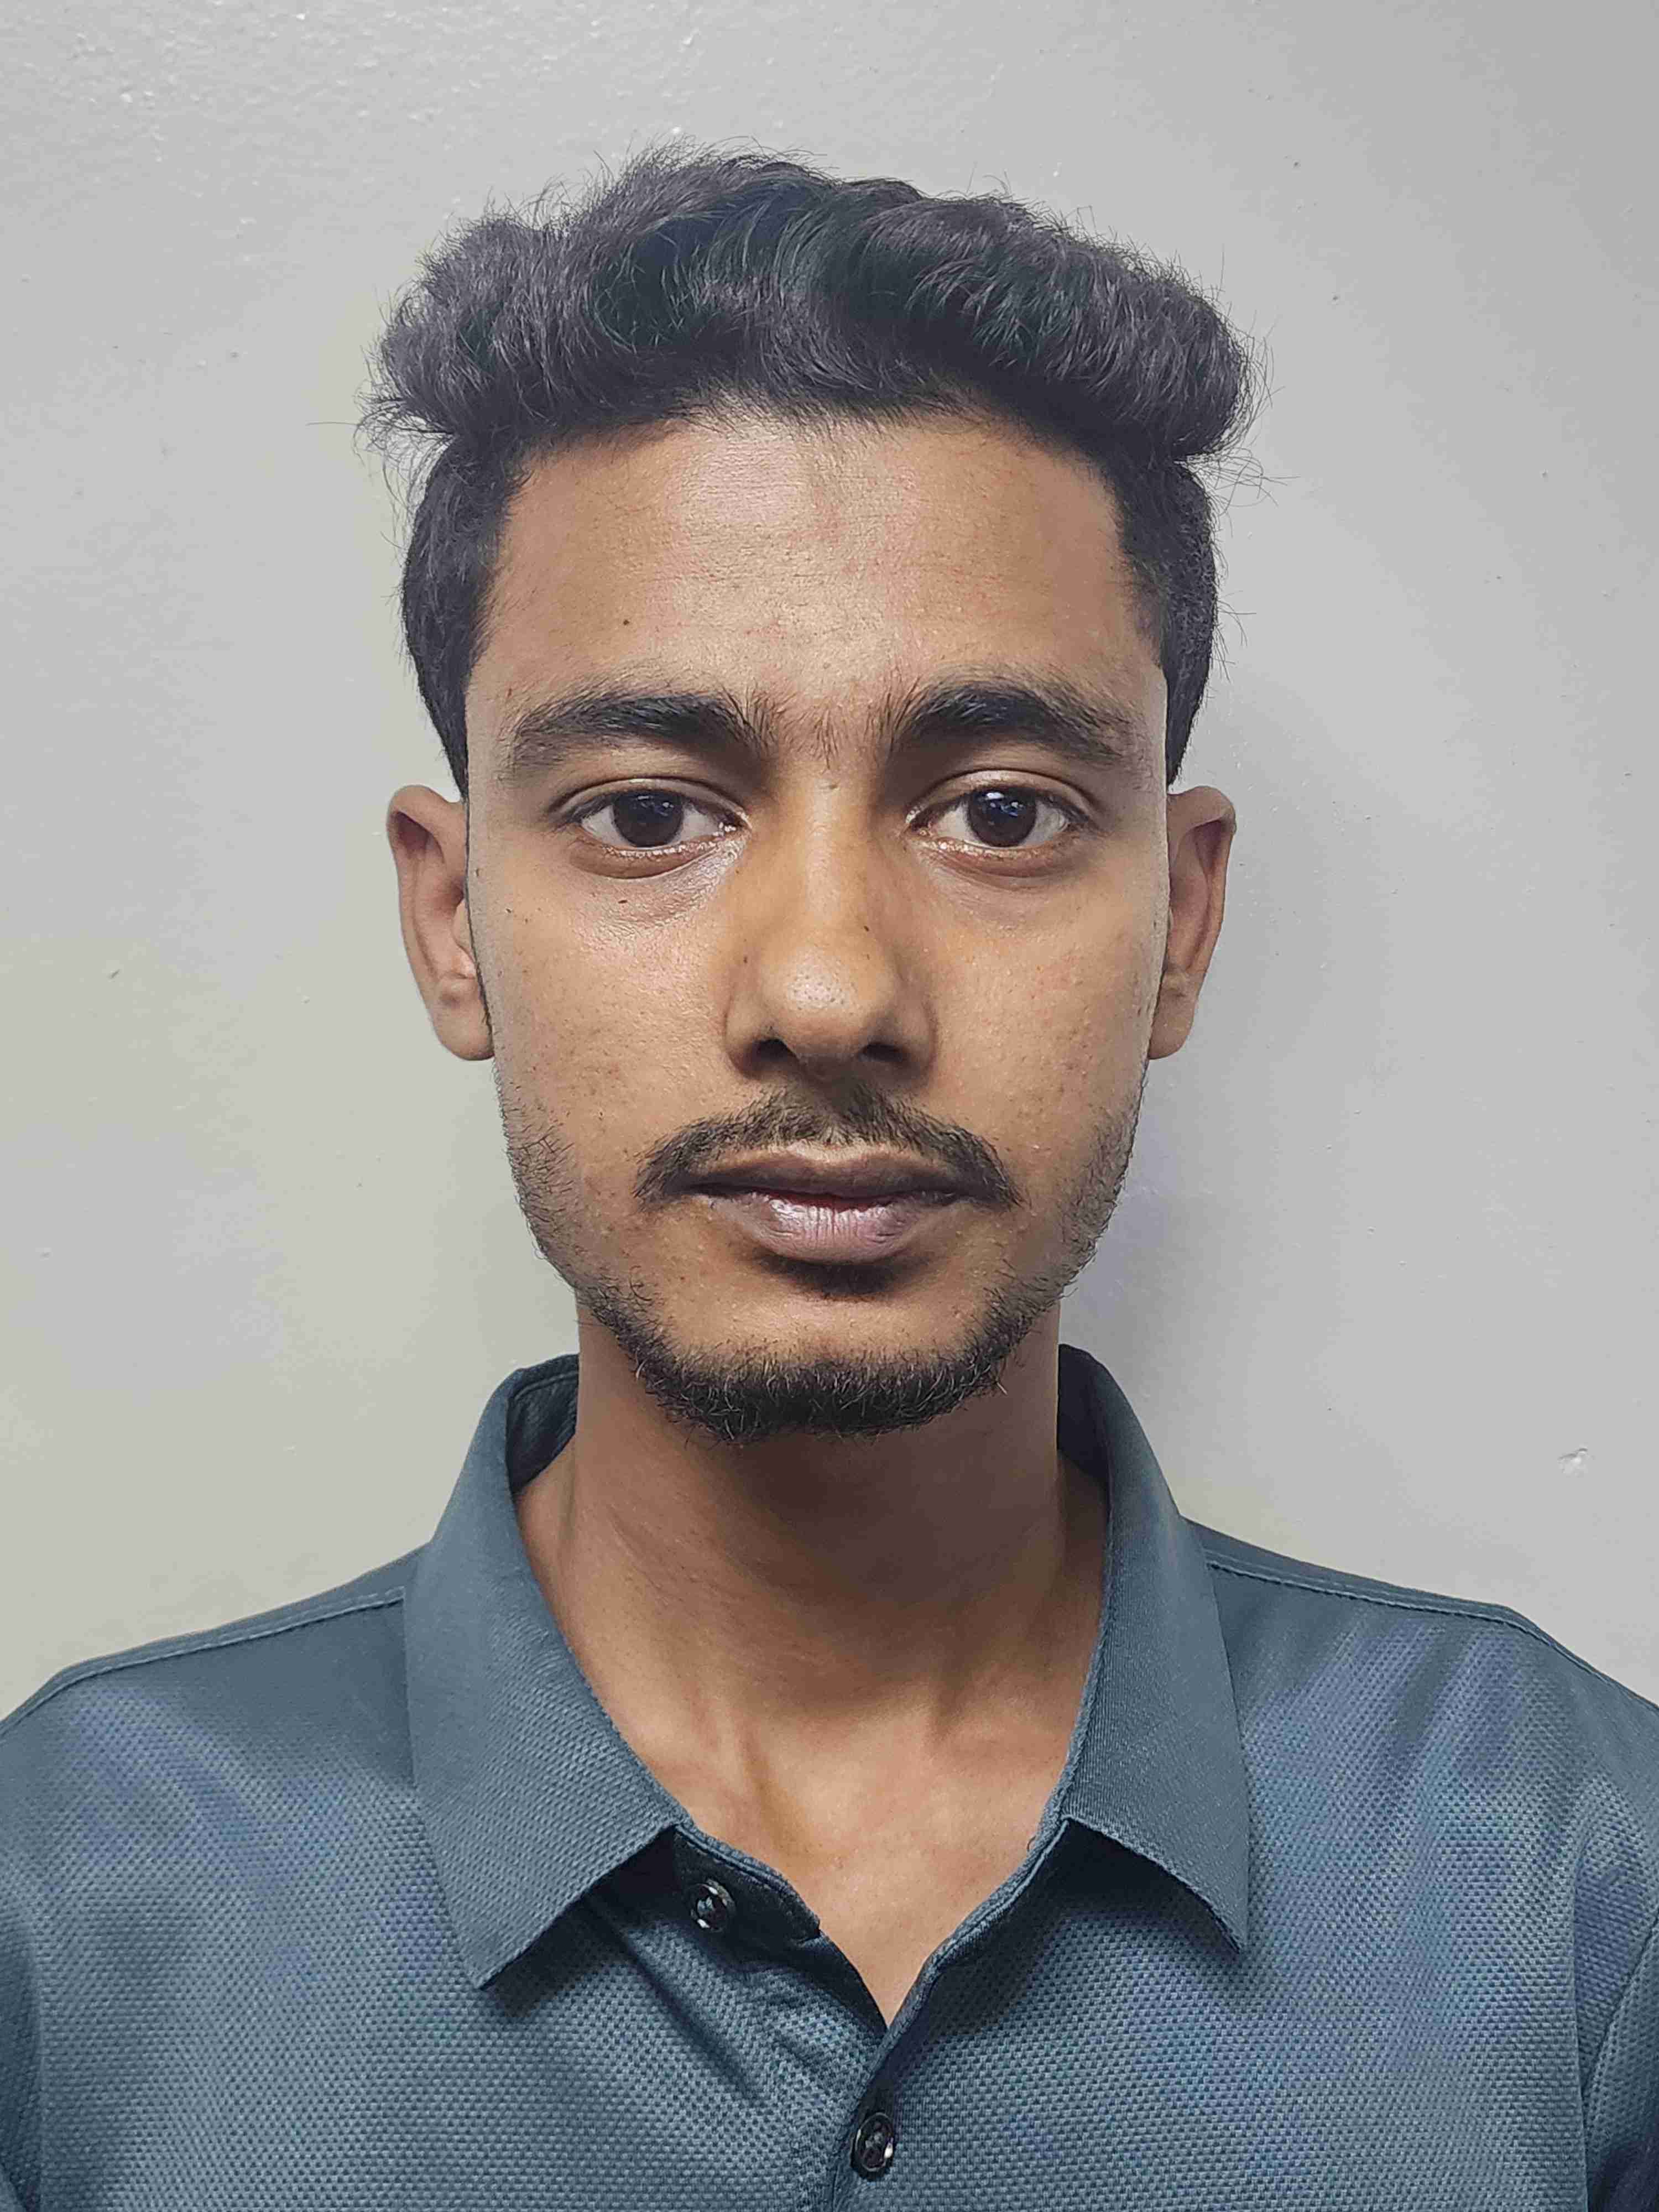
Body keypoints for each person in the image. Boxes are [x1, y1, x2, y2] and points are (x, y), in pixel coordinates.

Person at [2, 140, 1654, 2208]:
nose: (827, 990)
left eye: (1000, 811)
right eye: (645, 814)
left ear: (1182, 923)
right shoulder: (65, 1909)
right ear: (451, 923)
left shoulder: (1580, 1883)